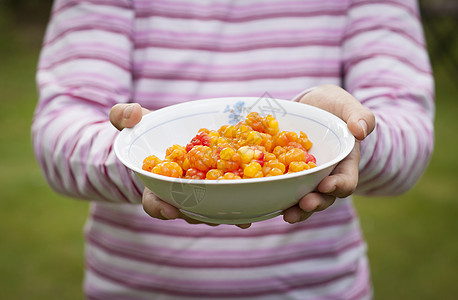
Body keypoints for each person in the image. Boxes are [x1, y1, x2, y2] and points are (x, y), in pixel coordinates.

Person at [32, 0, 434, 299]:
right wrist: (147, 167)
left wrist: (346, 138)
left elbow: (409, 138)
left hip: (318, 287)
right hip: (135, 286)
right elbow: (59, 133)